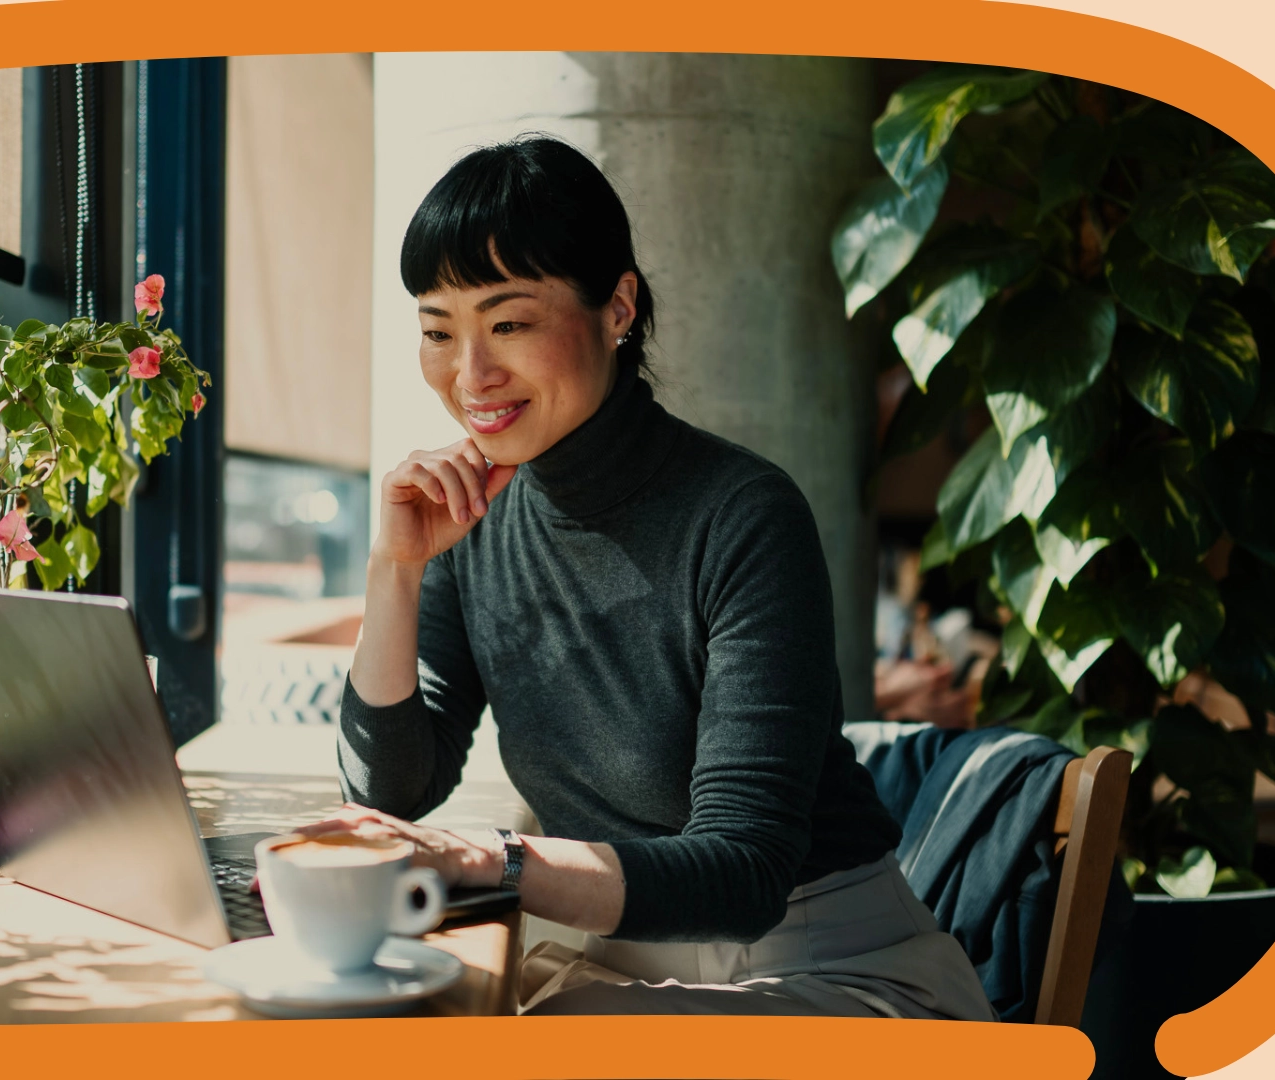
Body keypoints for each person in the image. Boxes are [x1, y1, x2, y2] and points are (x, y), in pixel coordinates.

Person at [293, 134, 995, 1020]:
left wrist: (495, 861)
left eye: (509, 324)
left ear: (617, 307)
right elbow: (389, 791)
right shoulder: (471, 518)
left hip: (837, 978)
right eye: (439, 330)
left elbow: (743, 872)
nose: (471, 375)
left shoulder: (742, 513)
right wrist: (393, 573)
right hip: (624, 975)